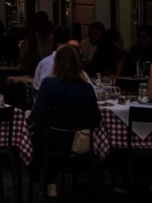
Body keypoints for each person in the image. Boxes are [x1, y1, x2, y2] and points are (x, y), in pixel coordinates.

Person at [27, 45, 101, 199]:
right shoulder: (87, 88)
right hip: (80, 142)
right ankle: (82, 180)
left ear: (56, 64)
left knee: (39, 133)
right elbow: (96, 118)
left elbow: (36, 115)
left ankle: (48, 182)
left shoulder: (48, 84)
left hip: (53, 141)